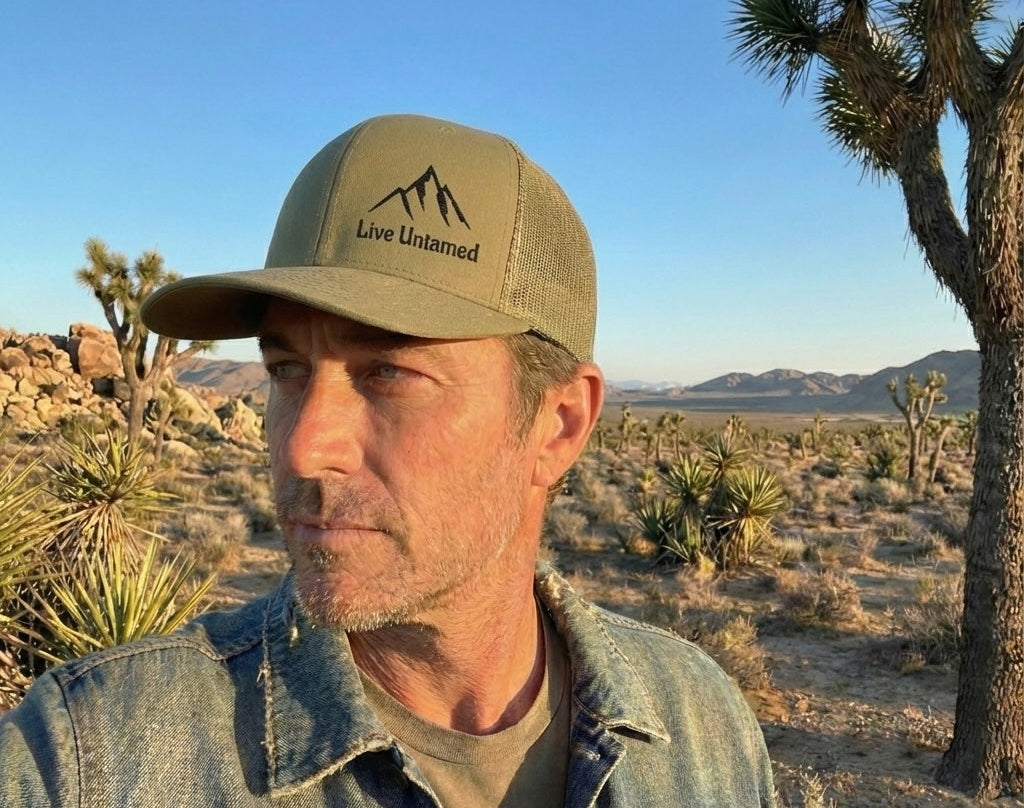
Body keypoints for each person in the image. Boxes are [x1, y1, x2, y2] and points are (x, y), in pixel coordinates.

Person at [0, 114, 775, 806]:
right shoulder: (87, 762)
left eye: (388, 373)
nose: (304, 445)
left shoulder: (701, 727)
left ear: (559, 425)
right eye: (286, 369)